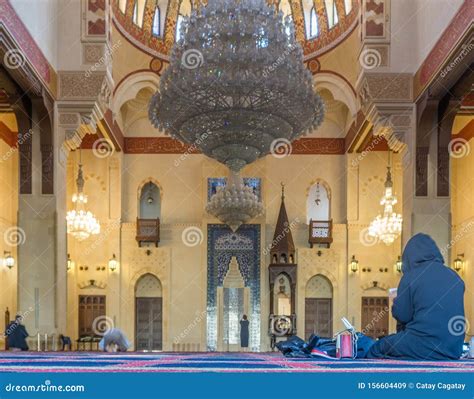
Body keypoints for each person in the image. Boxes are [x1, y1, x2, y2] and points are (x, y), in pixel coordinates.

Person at [367, 233, 465, 360]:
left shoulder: (411, 276)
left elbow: (402, 315)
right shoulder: (455, 277)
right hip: (453, 349)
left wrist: (396, 301)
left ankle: (372, 378)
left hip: (422, 344)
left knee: (379, 347)